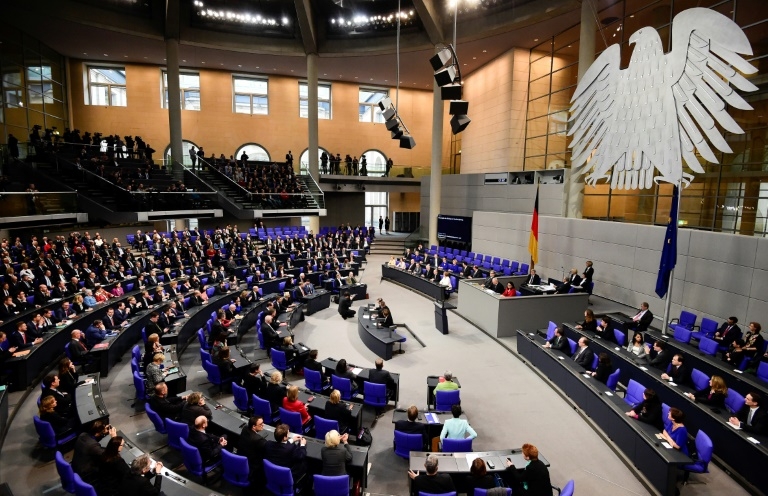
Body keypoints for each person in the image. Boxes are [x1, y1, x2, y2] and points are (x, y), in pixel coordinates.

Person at [238, 416, 267, 485]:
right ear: (254, 426)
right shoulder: (258, 439)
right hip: (253, 465)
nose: (263, 425)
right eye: (261, 424)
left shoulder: (245, 428)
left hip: (243, 457)